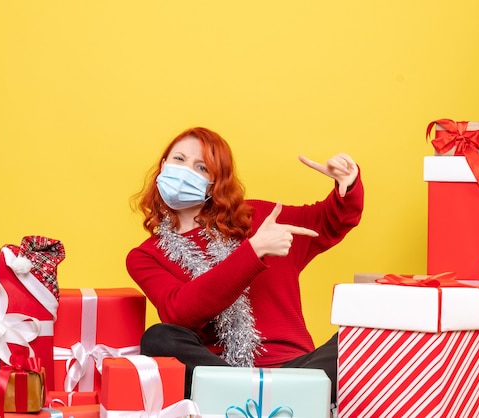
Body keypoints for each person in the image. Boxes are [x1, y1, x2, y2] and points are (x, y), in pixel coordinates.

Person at [126, 127, 364, 404]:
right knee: (159, 337)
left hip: (297, 369)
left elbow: (329, 221)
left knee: (364, 335)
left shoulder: (259, 218)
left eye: (201, 167)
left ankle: (264, 400)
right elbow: (179, 312)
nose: (186, 170)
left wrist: (347, 184)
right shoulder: (146, 255)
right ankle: (265, 399)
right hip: (224, 374)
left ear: (215, 183)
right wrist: (254, 252)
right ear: (163, 166)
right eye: (179, 160)